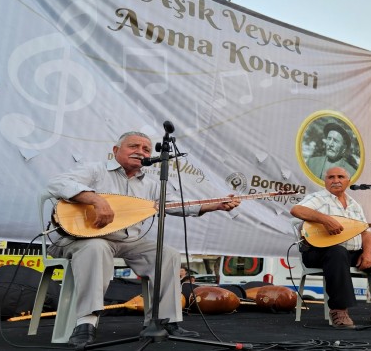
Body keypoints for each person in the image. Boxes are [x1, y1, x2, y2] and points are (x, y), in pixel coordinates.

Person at [47, 131, 240, 348]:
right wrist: (96, 200)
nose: (140, 152)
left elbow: (174, 204)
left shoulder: (152, 184)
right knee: (96, 247)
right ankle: (86, 322)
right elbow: (57, 183)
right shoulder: (95, 170)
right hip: (81, 238)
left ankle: (163, 321)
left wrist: (213, 205)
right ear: (116, 151)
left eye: (146, 149)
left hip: (129, 242)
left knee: (167, 254)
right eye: (134, 146)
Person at [290, 167, 371, 329]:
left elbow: (366, 233)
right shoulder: (318, 198)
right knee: (337, 251)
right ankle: (339, 310)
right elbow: (296, 210)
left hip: (351, 254)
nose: (336, 180)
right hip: (318, 253)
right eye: (331, 177)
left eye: (340, 177)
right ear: (325, 181)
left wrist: (368, 253)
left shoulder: (354, 205)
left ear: (348, 181)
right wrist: (325, 220)